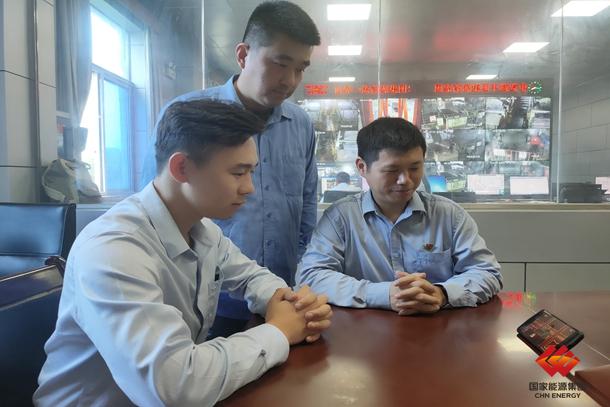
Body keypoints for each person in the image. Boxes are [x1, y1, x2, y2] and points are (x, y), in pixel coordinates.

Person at [34, 100, 332, 406]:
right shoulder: (113, 250)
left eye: (251, 172)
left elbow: (251, 276)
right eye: (238, 173)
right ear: (182, 168)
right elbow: (176, 386)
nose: (249, 188)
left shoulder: (203, 230)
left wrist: (288, 302)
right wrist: (279, 330)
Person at [143, 1, 321, 337]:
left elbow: (307, 203)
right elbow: (159, 204)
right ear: (243, 55)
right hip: (206, 300)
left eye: (301, 69)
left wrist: (298, 273)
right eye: (280, 64)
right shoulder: (189, 115)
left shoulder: (300, 124)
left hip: (279, 293)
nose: (290, 80)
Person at [296, 117, 502, 315]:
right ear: (362, 167)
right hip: (363, 331)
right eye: (392, 170)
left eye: (415, 168)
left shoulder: (449, 215)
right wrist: (384, 294)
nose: (405, 180)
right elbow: (312, 276)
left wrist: (442, 293)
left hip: (438, 326)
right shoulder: (340, 218)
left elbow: (487, 272)